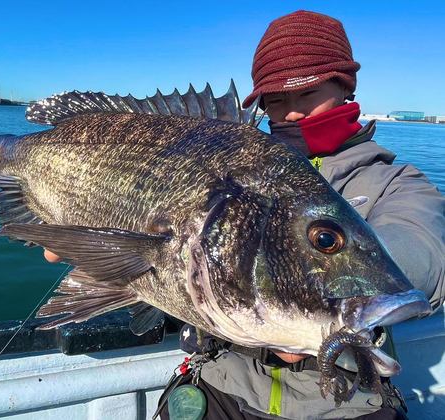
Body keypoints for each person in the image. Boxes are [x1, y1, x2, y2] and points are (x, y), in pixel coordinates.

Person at [46, 10, 445, 420]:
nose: (290, 113)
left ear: (345, 85)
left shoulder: (397, 182)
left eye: (307, 92)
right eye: (275, 100)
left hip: (345, 405)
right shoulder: (234, 166)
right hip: (219, 385)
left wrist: (319, 296)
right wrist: (91, 250)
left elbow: (423, 256)